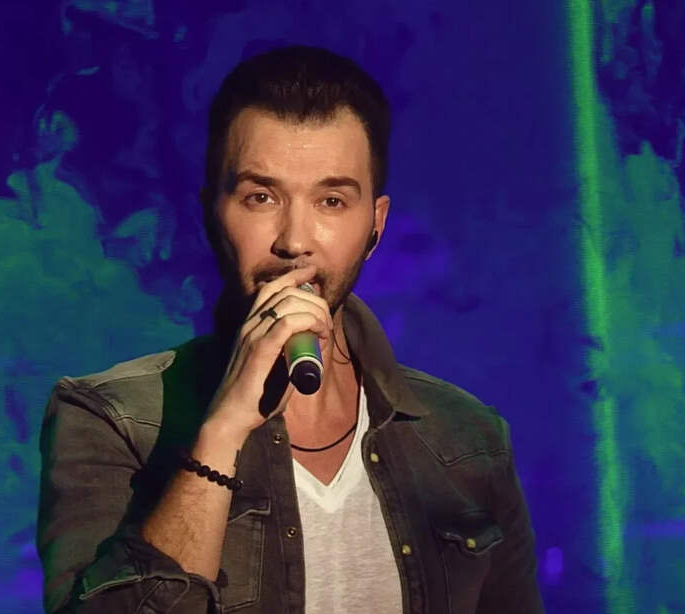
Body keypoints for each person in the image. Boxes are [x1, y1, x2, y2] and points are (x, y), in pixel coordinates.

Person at [36, 44, 544, 614]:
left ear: (375, 226)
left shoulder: (469, 438)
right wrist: (222, 431)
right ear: (211, 213)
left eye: (332, 200)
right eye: (260, 197)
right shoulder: (107, 418)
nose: (295, 240)